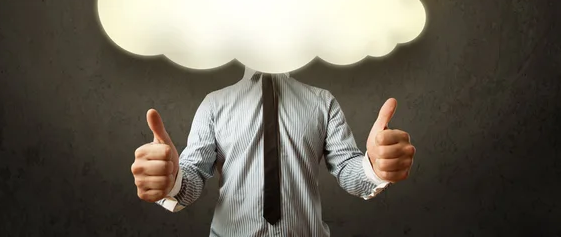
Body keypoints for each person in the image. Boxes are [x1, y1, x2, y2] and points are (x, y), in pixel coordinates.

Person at [131, 67, 416, 236]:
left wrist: (375, 168)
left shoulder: (322, 102)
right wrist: (170, 179)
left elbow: (347, 170)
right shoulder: (214, 105)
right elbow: (191, 182)